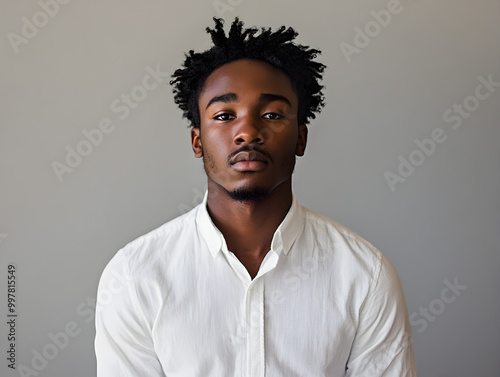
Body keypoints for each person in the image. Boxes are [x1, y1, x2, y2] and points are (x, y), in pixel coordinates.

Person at [95, 17, 417, 376]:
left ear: (300, 137)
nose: (247, 131)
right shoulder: (135, 275)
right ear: (197, 142)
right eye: (224, 115)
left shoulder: (365, 276)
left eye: (271, 114)